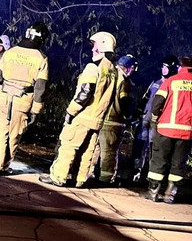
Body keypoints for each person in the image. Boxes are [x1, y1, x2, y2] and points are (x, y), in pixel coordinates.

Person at [39, 31, 118, 187]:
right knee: (87, 151)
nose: (92, 49)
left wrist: (71, 111)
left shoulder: (93, 67)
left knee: (68, 146)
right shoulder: (112, 71)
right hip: (97, 120)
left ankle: (58, 177)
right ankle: (79, 180)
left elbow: (85, 92)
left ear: (102, 46)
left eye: (94, 45)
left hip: (83, 116)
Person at [0, 22, 49, 175]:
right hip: (22, 101)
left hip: (2, 97)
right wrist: (36, 110)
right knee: (14, 134)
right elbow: (40, 88)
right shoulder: (41, 58)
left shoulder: (10, 52)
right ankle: (5, 166)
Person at [144, 56, 192, 203]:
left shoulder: (171, 81)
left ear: (180, 67)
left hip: (165, 129)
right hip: (186, 131)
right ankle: (170, 195)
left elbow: (157, 101)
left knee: (159, 160)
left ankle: (153, 193)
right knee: (178, 163)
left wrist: (154, 118)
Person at [131, 55, 180, 181]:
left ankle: (151, 177)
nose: (163, 69)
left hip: (157, 122)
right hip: (145, 120)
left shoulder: (172, 85)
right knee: (139, 145)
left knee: (154, 149)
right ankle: (135, 172)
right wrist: (137, 113)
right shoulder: (155, 83)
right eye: (163, 66)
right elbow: (145, 98)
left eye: (166, 67)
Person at [92, 54, 138, 185]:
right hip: (113, 122)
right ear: (129, 68)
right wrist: (128, 117)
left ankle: (88, 174)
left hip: (99, 118)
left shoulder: (109, 73)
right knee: (109, 153)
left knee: (95, 148)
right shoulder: (124, 81)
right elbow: (125, 101)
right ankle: (106, 179)